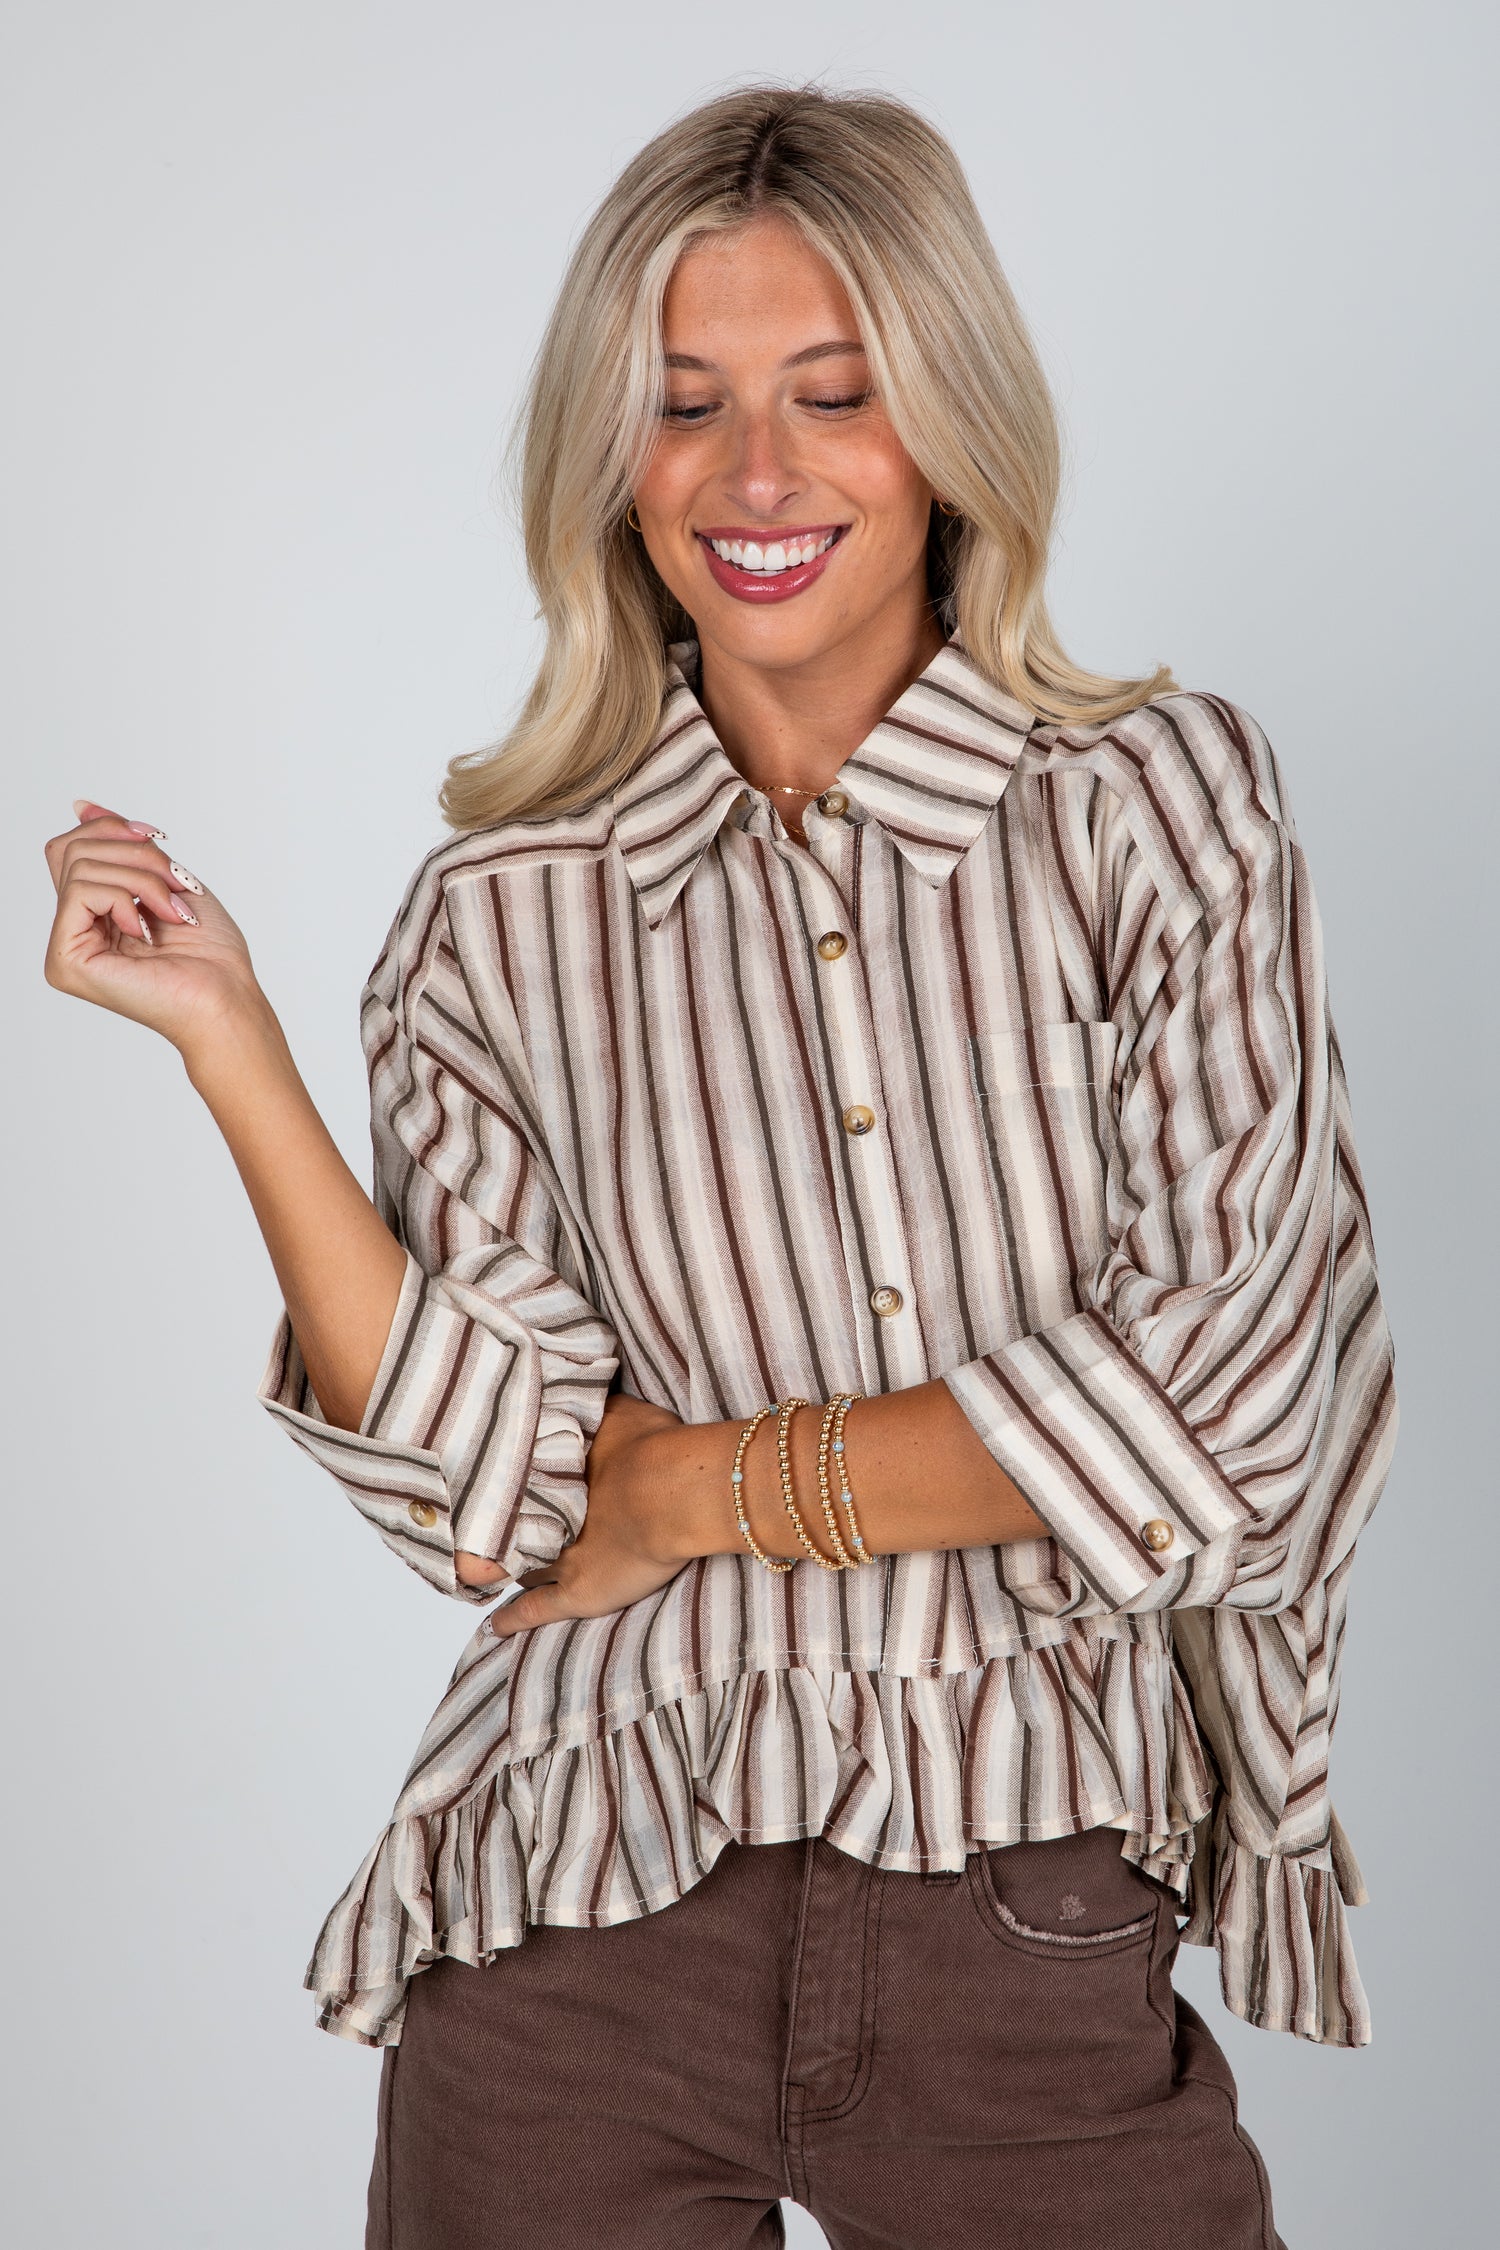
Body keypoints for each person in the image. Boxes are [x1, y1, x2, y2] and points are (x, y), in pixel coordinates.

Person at [41, 81, 1397, 2250]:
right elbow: (500, 1499)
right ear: (615, 457)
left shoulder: (1156, 806)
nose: (756, 477)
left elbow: (1229, 1399)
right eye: (685, 407)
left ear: (948, 417)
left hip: (1028, 1908)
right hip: (577, 1915)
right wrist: (236, 1041)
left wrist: (695, 1490)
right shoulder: (501, 913)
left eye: (834, 395)